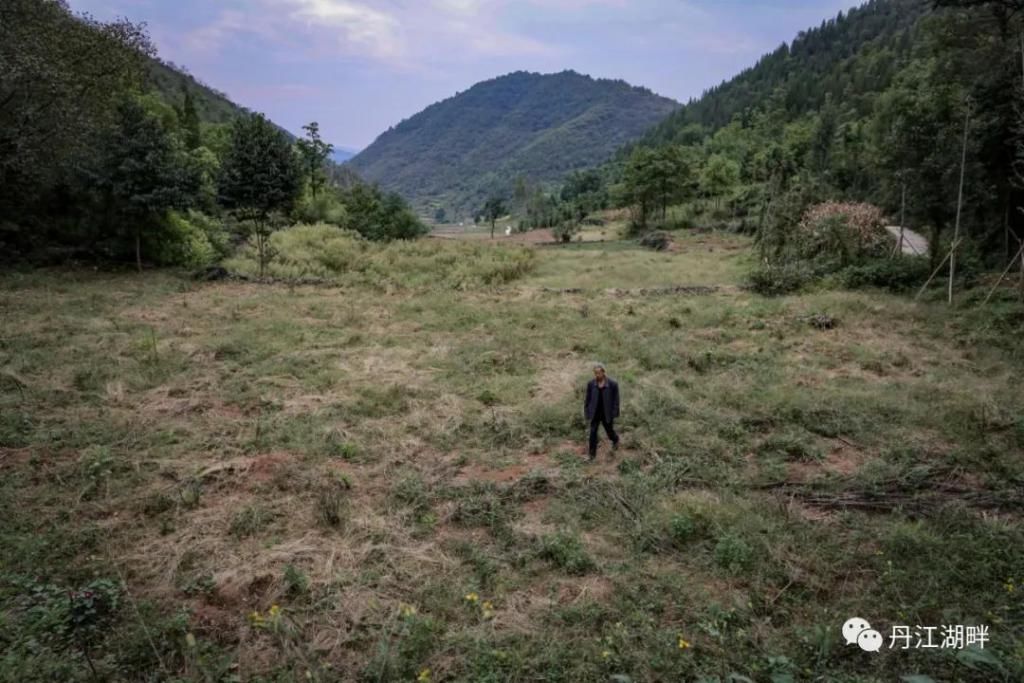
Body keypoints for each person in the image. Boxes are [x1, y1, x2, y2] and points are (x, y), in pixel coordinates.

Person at [583, 363, 620, 461]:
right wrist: (587, 411)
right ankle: (591, 456)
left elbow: (616, 400)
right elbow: (587, 399)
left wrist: (615, 412)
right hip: (595, 412)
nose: (597, 375)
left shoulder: (612, 384)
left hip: (606, 413)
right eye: (595, 373)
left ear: (603, 372)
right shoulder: (591, 384)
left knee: (609, 431)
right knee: (593, 433)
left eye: (599, 373)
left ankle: (615, 439)